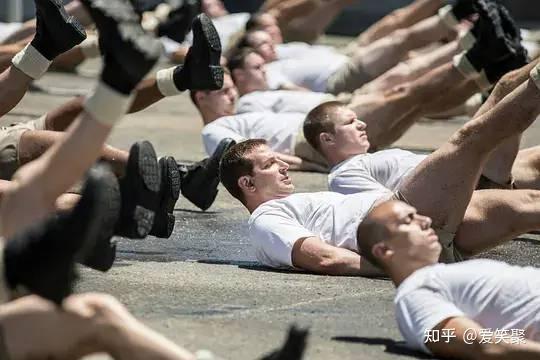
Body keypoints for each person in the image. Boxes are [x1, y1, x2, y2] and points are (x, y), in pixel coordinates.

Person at [217, 0, 540, 275]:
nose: (283, 167)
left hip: (426, 226)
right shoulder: (265, 218)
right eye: (270, 165)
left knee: (530, 205)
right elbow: (323, 257)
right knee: (472, 137)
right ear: (247, 184)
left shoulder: (298, 203)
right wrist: (400, 265)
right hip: (405, 218)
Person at [303, 60, 540, 194]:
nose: (362, 123)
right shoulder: (343, 175)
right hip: (470, 182)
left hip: (475, 173)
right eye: (351, 122)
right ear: (328, 139)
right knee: (507, 88)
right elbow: (389, 209)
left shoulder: (365, 161)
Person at [357, 200, 540, 359]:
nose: (426, 220)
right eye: (409, 219)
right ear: (384, 251)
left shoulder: (441, 276)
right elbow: (480, 344)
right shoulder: (413, 294)